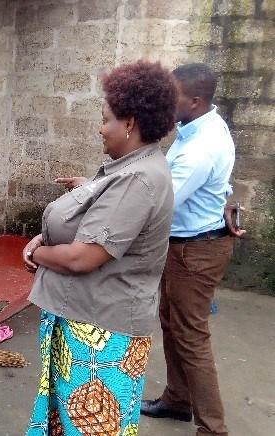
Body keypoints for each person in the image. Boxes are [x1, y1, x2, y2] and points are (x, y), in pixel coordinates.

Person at [23, 60, 178, 435]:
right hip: (86, 323)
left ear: (130, 123)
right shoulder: (131, 167)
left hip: (101, 338)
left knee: (91, 425)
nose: (100, 128)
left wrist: (34, 254)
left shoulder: (139, 180)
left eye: (106, 119)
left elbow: (82, 257)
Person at [140, 63, 243, 436]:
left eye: (174, 97)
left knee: (192, 337)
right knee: (173, 324)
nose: (166, 103)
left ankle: (213, 430)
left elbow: (158, 201)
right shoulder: (203, 124)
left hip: (194, 252)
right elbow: (215, 180)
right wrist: (227, 196)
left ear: (195, 101)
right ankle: (178, 400)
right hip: (185, 244)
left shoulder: (200, 147)